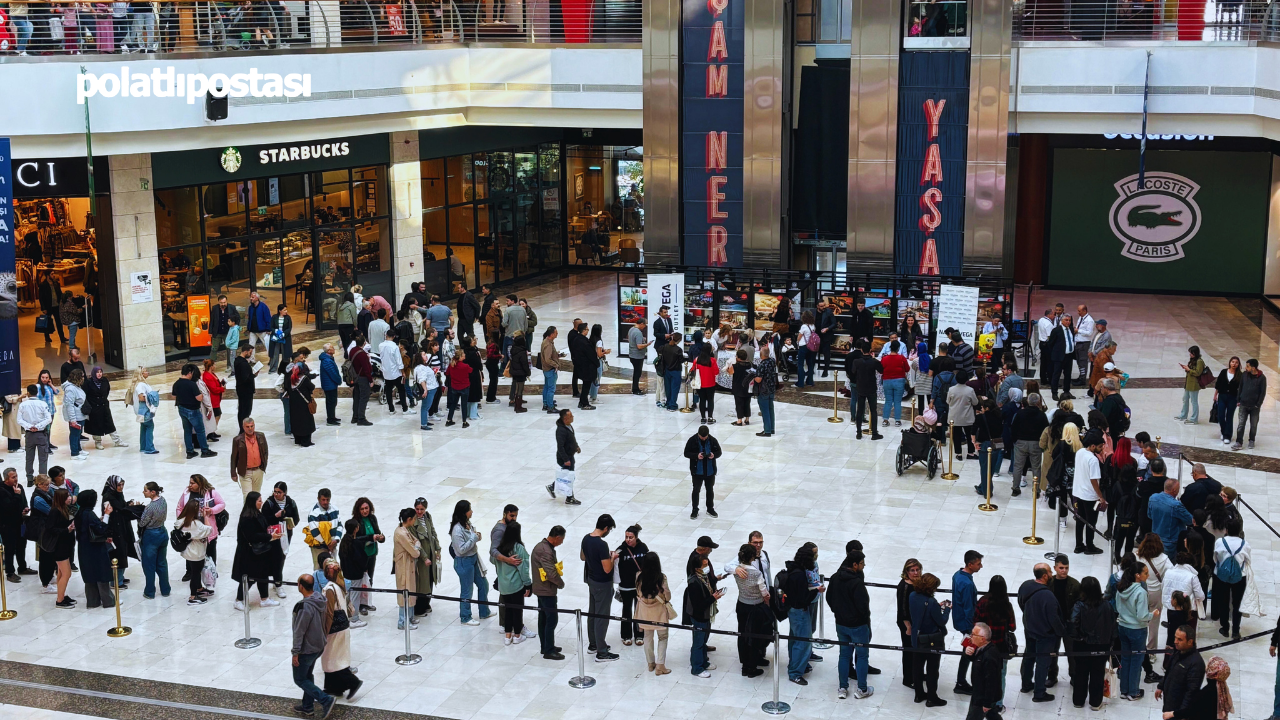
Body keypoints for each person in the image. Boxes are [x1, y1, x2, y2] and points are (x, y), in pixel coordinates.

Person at [827, 550, 873, 699]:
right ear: (854, 565)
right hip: (858, 626)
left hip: (841, 624)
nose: (864, 566)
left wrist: (838, 613)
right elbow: (863, 606)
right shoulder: (856, 583)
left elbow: (829, 598)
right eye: (861, 563)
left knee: (844, 655)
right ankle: (862, 689)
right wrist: (863, 618)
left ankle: (842, 688)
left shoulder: (834, 578)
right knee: (862, 656)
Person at [291, 574, 337, 719]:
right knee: (307, 675)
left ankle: (325, 700)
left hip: (306, 649)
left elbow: (299, 631)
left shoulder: (304, 607)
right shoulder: (320, 599)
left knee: (299, 679)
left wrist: (295, 652)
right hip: (318, 645)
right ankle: (307, 706)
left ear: (301, 586)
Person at [1018, 563, 1064, 702]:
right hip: (1045, 634)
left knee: (1029, 657)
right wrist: (1061, 632)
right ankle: (1039, 693)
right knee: (1042, 663)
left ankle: (1026, 685)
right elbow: (1054, 618)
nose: (1052, 574)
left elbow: (1021, 603)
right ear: (1044, 576)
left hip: (1029, 628)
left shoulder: (1025, 585)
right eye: (1050, 572)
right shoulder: (1048, 595)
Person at [1069, 576, 1115, 710]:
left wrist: (1079, 637)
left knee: (1080, 672)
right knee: (1097, 673)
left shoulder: (1079, 605)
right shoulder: (1107, 605)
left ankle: (1078, 700)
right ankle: (1095, 702)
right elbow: (1112, 626)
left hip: (1082, 645)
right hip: (1102, 645)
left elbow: (1072, 624)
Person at [232, 491, 284, 611]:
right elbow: (252, 536)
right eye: (259, 500)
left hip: (260, 553)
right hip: (249, 554)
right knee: (249, 577)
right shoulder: (246, 517)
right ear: (253, 502)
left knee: (263, 575)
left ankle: (265, 598)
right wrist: (270, 537)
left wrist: (272, 532)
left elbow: (263, 527)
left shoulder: (257, 513)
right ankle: (239, 600)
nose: (261, 502)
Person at [319, 560, 362, 701]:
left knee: (332, 659)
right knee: (333, 657)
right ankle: (333, 688)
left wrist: (325, 631)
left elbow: (329, 613)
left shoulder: (329, 589)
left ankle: (353, 682)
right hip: (343, 626)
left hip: (334, 629)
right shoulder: (340, 585)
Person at [973, 575, 1016, 710]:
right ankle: (998, 703)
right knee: (1000, 675)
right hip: (1001, 646)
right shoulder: (1006, 605)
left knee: (982, 673)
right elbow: (1013, 626)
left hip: (983, 645)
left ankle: (983, 699)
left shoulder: (982, 602)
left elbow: (976, 622)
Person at [1116, 560, 1158, 700]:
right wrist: (1153, 614)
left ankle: (1124, 690)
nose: (1148, 575)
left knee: (1126, 659)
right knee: (1136, 661)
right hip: (1137, 630)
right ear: (1137, 575)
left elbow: (1117, 608)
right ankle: (1133, 692)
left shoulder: (1121, 588)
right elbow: (1142, 616)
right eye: (1145, 573)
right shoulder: (1140, 592)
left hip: (1122, 627)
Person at [581, 513, 619, 661]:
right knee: (602, 617)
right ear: (606, 528)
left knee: (593, 612)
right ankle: (602, 652)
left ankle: (593, 644)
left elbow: (583, 557)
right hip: (602, 584)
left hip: (591, 580)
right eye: (609, 529)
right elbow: (607, 569)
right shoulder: (601, 544)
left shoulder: (586, 538)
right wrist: (612, 557)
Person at [908, 571, 951, 704]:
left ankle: (919, 694)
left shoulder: (912, 595)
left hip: (917, 637)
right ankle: (932, 698)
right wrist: (947, 609)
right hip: (932, 639)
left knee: (917, 667)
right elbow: (941, 621)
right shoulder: (931, 602)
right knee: (932, 670)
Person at [729, 541, 770, 678]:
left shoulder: (737, 571)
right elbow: (764, 592)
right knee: (755, 636)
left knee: (743, 634)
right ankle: (752, 666)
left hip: (742, 605)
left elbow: (727, 568)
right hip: (755, 608)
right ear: (752, 557)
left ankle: (745, 663)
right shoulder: (756, 573)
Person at [449, 500, 492, 626]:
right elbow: (461, 549)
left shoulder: (467, 523)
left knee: (483, 584)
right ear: (464, 512)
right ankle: (465, 617)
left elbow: (472, 538)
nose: (471, 511)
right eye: (470, 509)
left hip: (473, 558)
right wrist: (474, 538)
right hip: (464, 561)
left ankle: (484, 611)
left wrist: (476, 536)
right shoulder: (457, 529)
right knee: (467, 590)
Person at [1137, 533, 1174, 682]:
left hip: (1139, 591)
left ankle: (1138, 650)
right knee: (1154, 623)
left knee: (1139, 621)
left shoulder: (1137, 556)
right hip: (1156, 593)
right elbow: (1170, 573)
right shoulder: (1164, 559)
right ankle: (1151, 653)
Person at [73, 488, 115, 609]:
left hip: (83, 548)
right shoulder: (89, 514)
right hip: (95, 548)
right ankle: (108, 601)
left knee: (89, 574)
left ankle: (93, 601)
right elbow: (101, 529)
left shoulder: (79, 512)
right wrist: (106, 515)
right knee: (101, 573)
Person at [531, 525, 566, 659]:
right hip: (546, 590)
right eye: (561, 540)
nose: (561, 542)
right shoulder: (546, 551)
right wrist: (560, 583)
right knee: (551, 620)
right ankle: (548, 650)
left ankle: (546, 645)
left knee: (544, 618)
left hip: (541, 589)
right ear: (557, 538)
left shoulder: (542, 546)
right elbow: (551, 573)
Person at [494, 520, 532, 645]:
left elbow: (493, 559)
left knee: (508, 610)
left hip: (503, 586)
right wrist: (528, 584)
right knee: (517, 610)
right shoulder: (518, 548)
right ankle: (517, 635)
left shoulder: (499, 548)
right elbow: (524, 568)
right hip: (516, 585)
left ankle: (507, 636)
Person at [635, 552, 673, 675]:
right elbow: (667, 596)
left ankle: (650, 663)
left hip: (644, 611)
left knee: (647, 637)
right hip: (659, 612)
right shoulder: (661, 578)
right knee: (663, 637)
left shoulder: (638, 576)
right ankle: (660, 665)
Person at [952, 550, 983, 694]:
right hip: (967, 624)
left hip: (959, 620)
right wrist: (973, 627)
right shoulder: (967, 584)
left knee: (967, 651)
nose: (980, 566)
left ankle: (961, 680)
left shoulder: (957, 575)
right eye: (978, 564)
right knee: (969, 652)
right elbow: (968, 607)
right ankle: (961, 682)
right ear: (970, 564)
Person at [1072, 429, 1107, 554]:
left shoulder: (1080, 452)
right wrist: (1101, 496)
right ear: (1092, 446)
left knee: (1080, 519)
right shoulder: (1093, 460)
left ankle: (1079, 544)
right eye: (1099, 447)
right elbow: (1094, 480)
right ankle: (1090, 546)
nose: (1101, 449)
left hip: (1078, 492)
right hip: (1089, 495)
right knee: (1091, 522)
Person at [685, 552, 720, 678]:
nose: (707, 568)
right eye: (704, 565)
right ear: (696, 568)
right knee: (698, 642)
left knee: (703, 640)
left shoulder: (703, 577)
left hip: (706, 615)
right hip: (699, 616)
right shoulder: (694, 583)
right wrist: (713, 598)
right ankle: (697, 667)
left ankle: (704, 662)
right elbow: (698, 605)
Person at [262, 482, 300, 599]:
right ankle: (278, 583)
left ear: (284, 493)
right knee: (275, 557)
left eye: (279, 492)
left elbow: (296, 517)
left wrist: (291, 524)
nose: (276, 494)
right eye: (275, 491)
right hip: (273, 535)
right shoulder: (268, 503)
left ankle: (277, 581)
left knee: (282, 556)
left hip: (285, 534)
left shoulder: (290, 502)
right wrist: (276, 517)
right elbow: (264, 520)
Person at [349, 498, 385, 616]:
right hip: (361, 555)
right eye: (362, 509)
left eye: (366, 508)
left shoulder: (372, 518)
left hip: (372, 553)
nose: (365, 511)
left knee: (369, 578)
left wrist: (381, 538)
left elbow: (378, 532)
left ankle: (367, 601)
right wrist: (370, 538)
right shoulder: (356, 521)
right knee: (361, 580)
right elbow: (354, 539)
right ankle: (361, 604)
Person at [100, 475, 138, 588]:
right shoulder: (108, 497)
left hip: (123, 527)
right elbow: (117, 510)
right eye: (119, 485)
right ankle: (116, 581)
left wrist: (128, 505)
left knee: (124, 551)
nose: (121, 487)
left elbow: (121, 507)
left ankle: (120, 577)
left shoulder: (117, 494)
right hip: (115, 530)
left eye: (122, 484)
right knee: (119, 553)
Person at [1212, 530, 1250, 640]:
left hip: (1222, 575)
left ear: (1227, 530)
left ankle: (1225, 628)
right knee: (1237, 603)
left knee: (1223, 601)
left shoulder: (1220, 542)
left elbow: (1215, 558)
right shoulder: (1245, 544)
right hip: (1239, 577)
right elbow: (1248, 561)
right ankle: (1236, 631)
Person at [174, 498, 213, 606]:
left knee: (194, 570)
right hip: (196, 552)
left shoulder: (181, 520)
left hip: (188, 551)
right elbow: (209, 530)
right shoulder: (195, 524)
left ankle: (199, 588)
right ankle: (193, 596)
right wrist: (206, 516)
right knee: (196, 574)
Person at [173, 364, 216, 460]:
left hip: (182, 409)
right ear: (190, 373)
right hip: (193, 410)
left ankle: (190, 452)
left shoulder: (176, 383)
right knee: (200, 431)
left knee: (187, 431)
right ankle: (205, 450)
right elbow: (199, 398)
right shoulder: (192, 384)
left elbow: (174, 396)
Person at [616, 524, 648, 646]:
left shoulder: (643, 548)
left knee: (639, 610)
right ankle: (626, 635)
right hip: (625, 586)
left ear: (636, 537)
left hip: (639, 586)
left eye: (631, 537)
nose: (628, 540)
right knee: (626, 610)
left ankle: (639, 635)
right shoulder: (621, 549)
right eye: (626, 537)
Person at [1160, 626, 1205, 713]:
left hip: (1178, 709)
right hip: (1169, 702)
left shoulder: (1196, 664)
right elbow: (1169, 671)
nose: (1175, 642)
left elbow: (1191, 693)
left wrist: (1180, 714)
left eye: (1180, 639)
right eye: (1175, 638)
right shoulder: (1178, 651)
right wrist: (1160, 686)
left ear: (1190, 642)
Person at [392, 507, 423, 631]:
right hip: (404, 566)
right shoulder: (401, 533)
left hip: (409, 565)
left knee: (411, 592)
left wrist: (416, 547)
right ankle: (402, 621)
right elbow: (415, 552)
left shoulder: (406, 530)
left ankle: (410, 617)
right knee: (404, 593)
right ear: (409, 519)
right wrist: (416, 548)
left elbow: (416, 542)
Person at [964, 623, 1004, 720]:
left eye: (974, 635)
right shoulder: (981, 648)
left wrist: (987, 703)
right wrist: (969, 654)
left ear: (982, 639)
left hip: (982, 697)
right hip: (979, 693)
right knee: (992, 715)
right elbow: (977, 660)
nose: (971, 637)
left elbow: (991, 681)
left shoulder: (990, 656)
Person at [0, 468, 32, 583]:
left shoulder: (19, 487)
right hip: (7, 525)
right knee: (10, 548)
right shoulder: (2, 491)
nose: (16, 479)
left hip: (20, 522)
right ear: (6, 478)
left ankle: (22, 567)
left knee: (21, 545)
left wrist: (25, 508)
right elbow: (9, 508)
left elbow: (23, 501)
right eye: (13, 477)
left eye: (16, 476)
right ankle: (10, 572)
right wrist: (17, 495)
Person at [895, 559, 923, 686]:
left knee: (917, 649)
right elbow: (903, 609)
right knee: (909, 650)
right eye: (912, 570)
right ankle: (908, 678)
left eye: (917, 570)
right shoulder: (905, 587)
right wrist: (908, 626)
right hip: (907, 624)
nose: (916, 573)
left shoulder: (918, 583)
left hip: (917, 621)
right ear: (907, 571)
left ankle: (917, 673)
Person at [1151, 478, 1195, 561]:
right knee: (1168, 564)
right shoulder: (1176, 505)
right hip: (1170, 541)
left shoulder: (1153, 498)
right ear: (1174, 490)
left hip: (1155, 537)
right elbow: (1190, 520)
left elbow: (1150, 515)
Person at [83, 367, 126, 449]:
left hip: (104, 406)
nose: (99, 374)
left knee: (110, 424)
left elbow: (107, 390)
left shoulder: (105, 380)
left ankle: (117, 441)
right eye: (97, 372)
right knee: (96, 426)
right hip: (94, 408)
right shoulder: (88, 382)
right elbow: (85, 394)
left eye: (100, 372)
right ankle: (98, 442)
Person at [684, 425, 721, 519]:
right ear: (698, 434)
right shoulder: (692, 440)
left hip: (710, 471)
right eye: (702, 437)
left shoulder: (712, 440)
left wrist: (713, 455)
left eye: (705, 437)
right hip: (697, 471)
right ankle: (695, 509)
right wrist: (696, 455)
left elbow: (719, 452)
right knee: (696, 490)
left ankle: (710, 508)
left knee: (710, 490)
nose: (704, 438)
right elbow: (686, 453)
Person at [17, 385, 53, 482]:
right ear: (37, 392)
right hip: (41, 434)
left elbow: (19, 420)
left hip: (29, 434)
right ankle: (42, 479)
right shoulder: (42, 404)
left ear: (28, 393)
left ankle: (29, 478)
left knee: (29, 457)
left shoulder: (22, 405)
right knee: (43, 458)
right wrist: (38, 427)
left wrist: (29, 427)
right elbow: (48, 419)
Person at [848, 347, 885, 440]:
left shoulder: (857, 361)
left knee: (859, 410)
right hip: (871, 388)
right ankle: (874, 433)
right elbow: (881, 370)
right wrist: (873, 358)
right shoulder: (874, 362)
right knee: (873, 410)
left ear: (862, 351)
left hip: (860, 387)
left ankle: (859, 433)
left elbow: (853, 371)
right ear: (870, 351)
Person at [546, 409, 581, 505]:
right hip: (565, 458)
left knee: (568, 476)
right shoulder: (561, 430)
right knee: (569, 477)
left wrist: (576, 446)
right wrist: (566, 459)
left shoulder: (568, 426)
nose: (573, 417)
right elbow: (560, 447)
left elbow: (572, 439)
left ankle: (552, 487)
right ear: (565, 418)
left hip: (570, 455)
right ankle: (569, 498)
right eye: (571, 416)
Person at [229, 417, 268, 500]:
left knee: (256, 495)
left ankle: (256, 513)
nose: (250, 428)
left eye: (252, 426)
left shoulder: (261, 436)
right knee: (247, 496)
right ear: (243, 427)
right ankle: (247, 513)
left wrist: (263, 467)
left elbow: (265, 452)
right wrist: (233, 473)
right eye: (248, 427)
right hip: (245, 471)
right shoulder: (237, 440)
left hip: (258, 470)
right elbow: (234, 457)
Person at [304, 488, 342, 570]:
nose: (325, 502)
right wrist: (327, 545)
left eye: (327, 500)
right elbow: (315, 532)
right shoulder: (313, 513)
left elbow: (339, 525)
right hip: (319, 547)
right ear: (318, 499)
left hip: (332, 545)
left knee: (333, 569)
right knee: (319, 569)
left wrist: (336, 540)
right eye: (323, 500)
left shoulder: (335, 509)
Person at [1231, 358, 1265, 450]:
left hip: (1254, 406)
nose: (1246, 368)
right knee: (1241, 424)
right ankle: (1239, 442)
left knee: (1253, 424)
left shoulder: (1262, 378)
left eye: (1248, 366)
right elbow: (1240, 387)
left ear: (1253, 368)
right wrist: (1238, 399)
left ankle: (1252, 440)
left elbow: (1262, 393)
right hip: (1243, 404)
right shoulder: (1244, 375)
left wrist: (1258, 404)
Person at [61, 369, 88, 461]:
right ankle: (74, 453)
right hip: (75, 416)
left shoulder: (76, 386)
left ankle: (79, 449)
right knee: (74, 434)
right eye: (82, 376)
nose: (84, 378)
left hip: (80, 414)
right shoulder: (70, 389)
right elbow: (69, 405)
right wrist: (73, 419)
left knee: (79, 433)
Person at [1176, 345, 1207, 424]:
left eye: (1191, 353)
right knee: (1185, 399)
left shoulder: (1199, 361)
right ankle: (1183, 415)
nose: (1190, 354)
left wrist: (1189, 370)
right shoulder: (1193, 360)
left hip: (1194, 384)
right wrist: (1186, 368)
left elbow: (1198, 372)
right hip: (1188, 383)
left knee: (1194, 401)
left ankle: (1194, 419)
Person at [348, 335, 374, 426]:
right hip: (362, 377)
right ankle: (361, 418)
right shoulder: (362, 354)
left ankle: (355, 417)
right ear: (364, 343)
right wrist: (371, 380)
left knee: (357, 397)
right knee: (364, 397)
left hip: (355, 377)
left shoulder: (352, 350)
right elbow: (366, 369)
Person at [539, 327, 566, 414]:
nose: (557, 334)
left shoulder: (547, 342)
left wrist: (558, 355)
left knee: (547, 387)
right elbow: (548, 359)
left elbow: (550, 355)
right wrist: (556, 365)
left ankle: (546, 403)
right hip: (550, 369)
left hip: (546, 369)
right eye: (556, 333)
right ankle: (550, 407)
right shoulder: (548, 344)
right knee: (551, 388)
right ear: (551, 334)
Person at [754, 343, 779, 436]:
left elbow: (759, 379)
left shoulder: (762, 365)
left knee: (765, 410)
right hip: (772, 388)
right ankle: (772, 428)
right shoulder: (772, 361)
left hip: (763, 390)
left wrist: (754, 377)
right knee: (770, 409)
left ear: (761, 354)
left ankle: (767, 430)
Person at [232, 345, 259, 428]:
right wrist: (254, 375)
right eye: (250, 352)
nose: (250, 354)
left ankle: (242, 427)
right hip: (246, 390)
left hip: (241, 389)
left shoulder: (238, 361)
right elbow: (245, 378)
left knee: (242, 409)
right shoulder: (243, 364)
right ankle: (244, 428)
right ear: (246, 351)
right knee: (245, 411)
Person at [657, 332, 685, 412]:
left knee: (668, 388)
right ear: (679, 340)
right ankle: (672, 405)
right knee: (675, 388)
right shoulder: (678, 350)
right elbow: (681, 360)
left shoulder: (665, 347)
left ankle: (668, 403)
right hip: (676, 371)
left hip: (666, 370)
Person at [444, 349, 472, 428]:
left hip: (454, 387)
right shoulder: (465, 366)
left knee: (453, 403)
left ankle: (449, 420)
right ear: (460, 357)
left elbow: (447, 373)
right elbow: (471, 371)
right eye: (463, 355)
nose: (465, 356)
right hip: (464, 386)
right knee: (464, 404)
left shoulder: (452, 365)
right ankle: (464, 421)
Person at [692, 344, 718, 423]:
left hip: (700, 384)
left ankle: (703, 418)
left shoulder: (697, 360)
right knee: (710, 400)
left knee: (702, 400)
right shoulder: (712, 360)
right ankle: (710, 418)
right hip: (711, 383)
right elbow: (716, 372)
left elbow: (692, 370)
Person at [318, 343, 342, 426]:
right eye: (332, 348)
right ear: (328, 351)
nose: (334, 348)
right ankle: (330, 419)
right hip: (329, 385)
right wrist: (338, 380)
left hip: (331, 384)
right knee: (331, 402)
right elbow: (332, 373)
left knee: (333, 401)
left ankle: (332, 416)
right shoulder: (327, 361)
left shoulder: (328, 359)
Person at [508, 333, 531, 413]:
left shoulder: (513, 349)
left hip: (514, 371)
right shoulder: (522, 352)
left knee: (517, 388)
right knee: (520, 390)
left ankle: (517, 404)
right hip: (520, 373)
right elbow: (524, 364)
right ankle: (518, 407)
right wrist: (528, 372)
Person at [795, 310, 817, 387]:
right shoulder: (813, 326)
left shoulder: (804, 326)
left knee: (800, 364)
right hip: (811, 347)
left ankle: (800, 382)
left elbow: (799, 337)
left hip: (803, 346)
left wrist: (797, 342)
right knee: (810, 364)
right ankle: (810, 381)